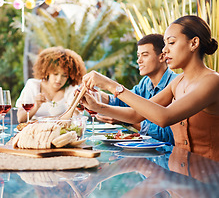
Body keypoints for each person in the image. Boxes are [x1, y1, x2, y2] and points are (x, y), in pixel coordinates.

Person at [81, 15, 219, 161]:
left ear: (194, 43)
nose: (165, 50)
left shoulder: (212, 82)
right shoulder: (177, 82)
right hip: (178, 175)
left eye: (171, 42)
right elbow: (136, 114)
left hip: (209, 178)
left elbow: (164, 117)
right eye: (165, 44)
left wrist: (111, 85)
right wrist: (97, 106)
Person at [97, 34, 177, 144]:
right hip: (149, 153)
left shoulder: (175, 84)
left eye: (144, 55)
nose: (139, 61)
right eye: (138, 55)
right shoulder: (146, 82)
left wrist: (127, 121)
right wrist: (96, 95)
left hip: (170, 155)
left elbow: (168, 135)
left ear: (162, 57)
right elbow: (124, 102)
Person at [16, 47, 86, 123]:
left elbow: (77, 117)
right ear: (47, 71)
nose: (59, 79)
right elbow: (20, 119)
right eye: (55, 74)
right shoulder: (33, 85)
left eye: (64, 75)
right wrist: (36, 106)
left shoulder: (71, 89)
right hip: (36, 132)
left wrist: (76, 108)